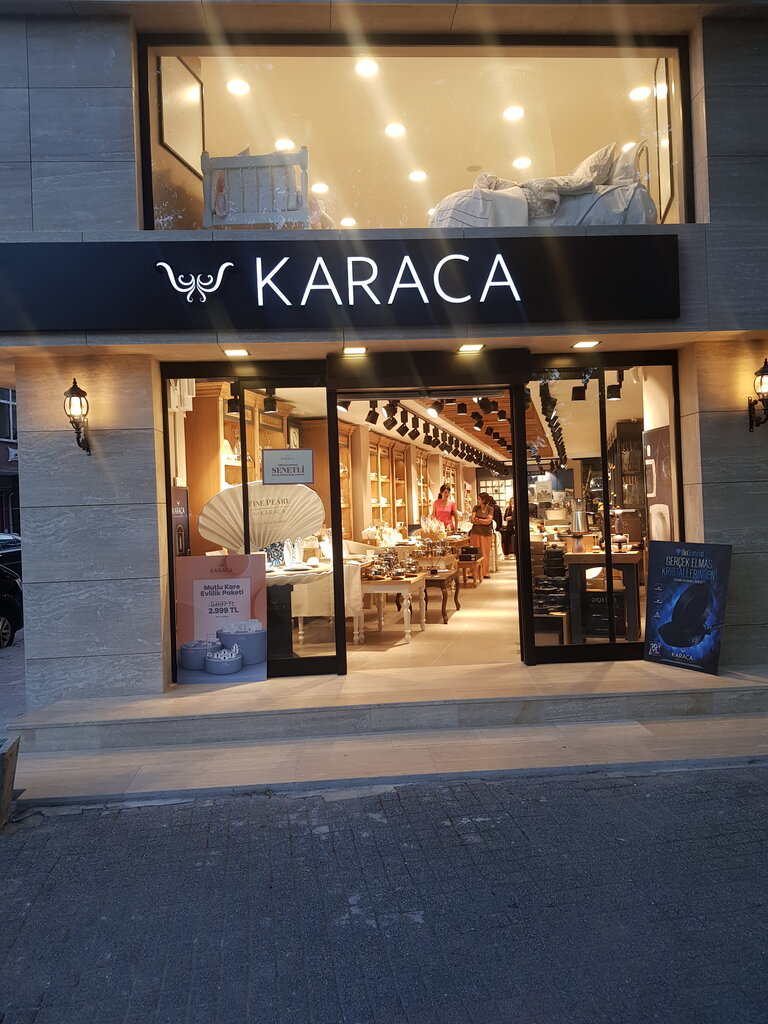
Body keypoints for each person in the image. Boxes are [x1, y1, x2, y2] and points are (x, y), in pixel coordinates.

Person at [470, 492, 495, 578]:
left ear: (484, 500)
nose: (478, 500)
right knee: (475, 552)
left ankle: (485, 572)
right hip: (475, 533)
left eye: (479, 499)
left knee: (485, 553)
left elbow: (489, 521)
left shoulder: (490, 509)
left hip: (486, 534)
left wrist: (478, 520)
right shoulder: (476, 508)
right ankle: (474, 572)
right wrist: (483, 521)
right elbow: (472, 520)